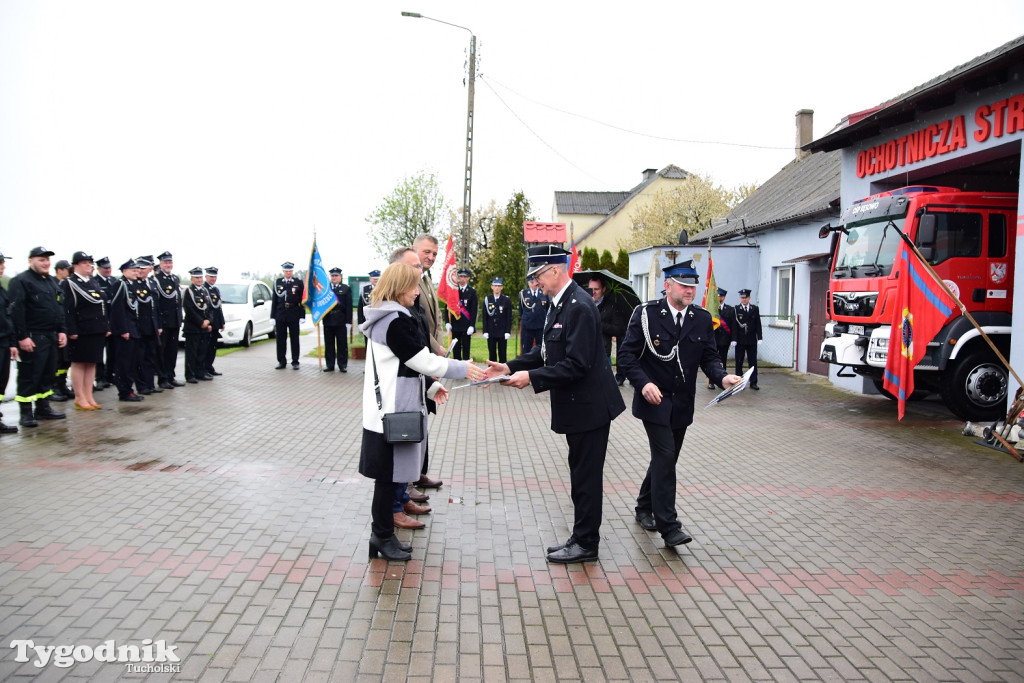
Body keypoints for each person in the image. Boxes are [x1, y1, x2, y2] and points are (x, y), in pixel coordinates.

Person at [483, 246, 625, 564]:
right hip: (579, 407)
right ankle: (580, 535)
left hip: (590, 408)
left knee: (586, 478)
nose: (537, 283)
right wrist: (509, 366)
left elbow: (576, 364)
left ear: (555, 271)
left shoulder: (579, 306)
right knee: (580, 475)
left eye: (538, 276)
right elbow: (547, 351)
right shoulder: (560, 304)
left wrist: (530, 378)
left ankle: (587, 543)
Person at [359, 262, 483, 561]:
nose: (417, 292)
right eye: (414, 286)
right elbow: (421, 361)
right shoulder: (394, 321)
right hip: (391, 411)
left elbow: (402, 368)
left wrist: (429, 389)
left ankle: (383, 535)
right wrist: (462, 368)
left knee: (389, 478)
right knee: (387, 479)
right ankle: (382, 536)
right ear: (400, 288)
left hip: (390, 408)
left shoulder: (388, 318)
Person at [618, 260, 741, 547]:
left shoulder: (700, 318)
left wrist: (722, 378)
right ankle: (669, 526)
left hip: (682, 403)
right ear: (668, 285)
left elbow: (709, 357)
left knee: (667, 458)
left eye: (693, 287)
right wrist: (644, 383)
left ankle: (643, 506)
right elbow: (626, 356)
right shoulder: (646, 315)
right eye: (684, 286)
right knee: (665, 457)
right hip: (654, 400)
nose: (690, 291)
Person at [8, 246, 67, 426]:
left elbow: (59, 308)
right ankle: (26, 413)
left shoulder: (51, 282)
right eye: (41, 259)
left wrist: (62, 330)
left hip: (51, 336)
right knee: (29, 375)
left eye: (47, 259)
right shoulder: (21, 281)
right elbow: (16, 311)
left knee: (47, 374)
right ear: (30, 261)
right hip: (33, 336)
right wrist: (22, 336)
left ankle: (43, 408)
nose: (46, 263)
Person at [61, 251, 109, 411]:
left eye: (90, 263)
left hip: (96, 329)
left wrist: (105, 326)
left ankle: (89, 395)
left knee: (91, 363)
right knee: (79, 363)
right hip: (81, 330)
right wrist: (71, 330)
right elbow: (67, 309)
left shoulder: (92, 282)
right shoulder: (69, 283)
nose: (89, 265)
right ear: (75, 266)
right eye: (85, 263)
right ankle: (79, 397)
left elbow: (101, 306)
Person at [108, 259, 145, 402]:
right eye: (133, 270)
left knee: (131, 362)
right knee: (123, 363)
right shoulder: (120, 285)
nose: (137, 272)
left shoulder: (131, 285)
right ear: (124, 271)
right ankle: (124, 391)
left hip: (133, 328)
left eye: (137, 270)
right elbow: (117, 309)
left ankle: (129, 389)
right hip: (125, 331)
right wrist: (123, 329)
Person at [589, 276, 631, 379]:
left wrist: (600, 324)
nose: (593, 292)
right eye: (591, 289)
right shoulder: (583, 304)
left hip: (602, 353)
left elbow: (619, 330)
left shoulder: (611, 306)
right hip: (585, 352)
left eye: (596, 289)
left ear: (604, 289)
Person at [154, 251, 184, 389]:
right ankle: (162, 378)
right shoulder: (156, 280)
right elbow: (157, 303)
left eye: (170, 262)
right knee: (162, 351)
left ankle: (170, 376)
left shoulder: (174, 279)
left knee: (172, 351)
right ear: (160, 264)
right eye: (166, 262)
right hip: (164, 321)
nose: (168, 264)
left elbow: (177, 300)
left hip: (174, 321)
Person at [132, 256, 162, 395]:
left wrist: (158, 325)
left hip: (151, 326)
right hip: (140, 326)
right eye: (138, 269)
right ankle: (141, 385)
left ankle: (150, 384)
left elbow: (156, 307)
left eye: (143, 269)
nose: (140, 271)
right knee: (139, 358)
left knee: (150, 357)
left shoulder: (151, 283)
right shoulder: (134, 284)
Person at [413, 234, 447, 355]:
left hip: (432, 353)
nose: (431, 257)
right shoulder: (409, 281)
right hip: (418, 351)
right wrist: (436, 347)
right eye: (427, 252)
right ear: (413, 250)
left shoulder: (427, 280)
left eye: (434, 254)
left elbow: (437, 318)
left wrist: (439, 345)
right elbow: (415, 321)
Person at [182, 267, 213, 383]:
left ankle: (200, 372)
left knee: (202, 351)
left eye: (200, 277)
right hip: (193, 327)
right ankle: (190, 374)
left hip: (204, 327)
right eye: (196, 277)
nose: (199, 280)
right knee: (192, 353)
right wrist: (201, 322)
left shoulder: (204, 291)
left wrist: (208, 321)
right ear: (191, 279)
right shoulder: (189, 291)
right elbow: (189, 309)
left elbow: (209, 308)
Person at [272, 261, 304, 369]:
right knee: (281, 339)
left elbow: (302, 301)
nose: (288, 273)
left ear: (292, 271)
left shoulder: (298, 283)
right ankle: (281, 361)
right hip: (280, 313)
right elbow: (274, 301)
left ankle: (295, 361)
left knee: (294, 338)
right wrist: (272, 316)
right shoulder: (278, 282)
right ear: (283, 271)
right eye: (286, 271)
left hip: (293, 312)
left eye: (290, 271)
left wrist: (302, 315)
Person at [0, 251, 19, 434]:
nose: (2, 268)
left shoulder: (2, 291)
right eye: (0, 264)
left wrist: (13, 342)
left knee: (1, 382)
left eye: (3, 264)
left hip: (4, 343)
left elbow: (8, 318)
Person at [50, 259, 74, 402]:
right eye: (67, 269)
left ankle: (62, 385)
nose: (69, 272)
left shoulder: (65, 284)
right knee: (57, 361)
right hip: (54, 329)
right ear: (60, 270)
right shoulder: (53, 283)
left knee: (65, 361)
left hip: (64, 327)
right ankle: (54, 387)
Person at [94, 256, 118, 390]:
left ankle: (110, 374)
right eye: (105, 268)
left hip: (113, 322)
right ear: (98, 269)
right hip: (101, 321)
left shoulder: (114, 281)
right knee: (99, 352)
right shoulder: (94, 282)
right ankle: (100, 377)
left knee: (113, 351)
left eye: (109, 268)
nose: (108, 270)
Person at [322, 267, 352, 372]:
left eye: (336, 276)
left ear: (340, 277)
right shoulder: (325, 289)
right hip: (328, 319)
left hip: (341, 320)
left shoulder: (346, 288)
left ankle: (342, 365)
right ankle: (329, 365)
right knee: (329, 344)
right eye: (332, 276)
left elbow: (349, 306)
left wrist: (349, 322)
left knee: (342, 344)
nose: (334, 278)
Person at [733, 288, 763, 390]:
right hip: (740, 341)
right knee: (739, 361)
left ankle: (753, 382)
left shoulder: (754, 309)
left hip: (751, 340)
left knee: (752, 362)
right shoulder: (736, 309)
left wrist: (759, 337)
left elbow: (758, 324)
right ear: (740, 298)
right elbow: (734, 326)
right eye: (742, 297)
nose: (744, 299)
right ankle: (739, 382)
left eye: (746, 297)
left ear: (749, 298)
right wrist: (734, 339)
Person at [445, 268, 477, 360]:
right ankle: (457, 370)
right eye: (461, 276)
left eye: (465, 277)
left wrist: (472, 325)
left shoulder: (472, 291)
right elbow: (448, 308)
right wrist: (447, 322)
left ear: (468, 278)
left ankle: (467, 370)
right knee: (456, 348)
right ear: (458, 278)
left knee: (466, 349)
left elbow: (473, 310)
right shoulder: (453, 291)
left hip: (466, 325)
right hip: (455, 324)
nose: (463, 278)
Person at [482, 277, 512, 363]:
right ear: (492, 287)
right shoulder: (488, 299)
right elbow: (485, 317)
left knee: (502, 353)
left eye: (499, 286)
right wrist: (485, 331)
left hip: (502, 331)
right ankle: (492, 371)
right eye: (495, 285)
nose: (497, 288)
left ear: (502, 287)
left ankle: (503, 371)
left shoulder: (506, 300)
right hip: (491, 330)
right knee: (492, 353)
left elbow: (508, 317)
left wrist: (507, 331)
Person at [709, 287, 734, 390]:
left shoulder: (730, 309)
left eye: (722, 296)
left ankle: (722, 380)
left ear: (724, 297)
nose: (720, 298)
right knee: (712, 360)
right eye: (718, 296)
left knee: (723, 361)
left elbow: (733, 326)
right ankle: (711, 382)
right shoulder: (712, 309)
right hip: (713, 339)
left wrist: (733, 339)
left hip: (724, 339)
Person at [518, 273, 549, 353]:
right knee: (526, 349)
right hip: (528, 326)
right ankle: (525, 365)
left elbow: (547, 308)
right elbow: (521, 310)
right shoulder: (523, 294)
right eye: (532, 282)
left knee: (541, 349)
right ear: (528, 283)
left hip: (540, 326)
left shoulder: (544, 293)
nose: (534, 284)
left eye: (536, 281)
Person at [203, 267, 225, 376]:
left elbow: (218, 307)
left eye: (214, 276)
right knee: (206, 347)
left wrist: (222, 322)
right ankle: (204, 368)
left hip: (216, 322)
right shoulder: (204, 289)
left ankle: (210, 366)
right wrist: (208, 322)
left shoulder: (216, 290)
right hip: (208, 323)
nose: (213, 279)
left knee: (213, 347)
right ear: (206, 277)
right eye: (211, 276)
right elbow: (206, 308)